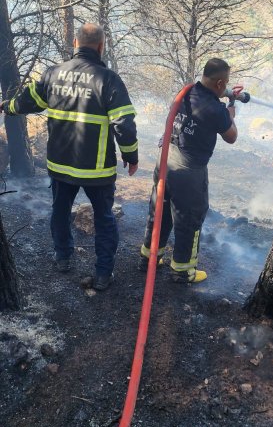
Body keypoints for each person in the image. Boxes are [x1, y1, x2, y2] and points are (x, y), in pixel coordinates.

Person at [0, 23, 138, 291]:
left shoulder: (53, 74)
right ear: (100, 47)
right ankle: (102, 274)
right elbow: (124, 123)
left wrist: (7, 106)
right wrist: (130, 155)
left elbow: (28, 102)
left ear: (75, 44)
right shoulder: (108, 79)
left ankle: (63, 257)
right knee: (104, 218)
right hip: (97, 170)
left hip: (61, 165)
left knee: (60, 212)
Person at [139, 58, 237, 283]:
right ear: (221, 83)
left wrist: (225, 101)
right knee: (189, 218)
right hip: (188, 170)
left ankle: (149, 259)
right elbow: (231, 136)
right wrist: (231, 108)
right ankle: (183, 271)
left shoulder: (186, 92)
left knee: (160, 211)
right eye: (227, 83)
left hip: (165, 161)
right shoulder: (215, 108)